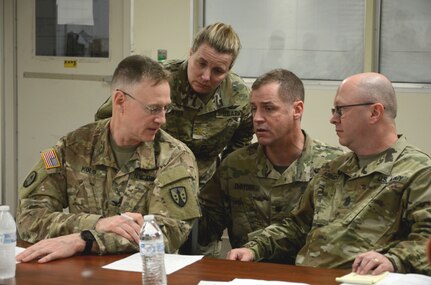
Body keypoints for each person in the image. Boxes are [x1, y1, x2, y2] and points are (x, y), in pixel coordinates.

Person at [227, 72, 431, 275]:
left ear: (374, 113)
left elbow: (427, 239)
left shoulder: (419, 171)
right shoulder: (334, 169)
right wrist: (254, 248)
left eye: (340, 110)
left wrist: (393, 260)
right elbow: (296, 226)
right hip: (309, 278)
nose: (333, 119)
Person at [16, 55, 201, 263]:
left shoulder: (175, 157)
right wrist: (97, 224)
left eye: (166, 108)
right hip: (82, 272)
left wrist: (85, 240)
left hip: (144, 274)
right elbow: (28, 217)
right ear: (120, 101)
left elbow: (167, 233)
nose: (162, 119)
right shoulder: (74, 147)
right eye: (153, 108)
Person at [198, 69, 343, 261]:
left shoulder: (332, 165)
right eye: (253, 108)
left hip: (308, 277)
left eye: (269, 108)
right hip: (248, 276)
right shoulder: (235, 166)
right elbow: (202, 230)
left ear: (297, 110)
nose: (257, 118)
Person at [95, 22, 253, 189]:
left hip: (205, 185)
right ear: (190, 53)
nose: (206, 76)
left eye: (218, 71)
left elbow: (243, 138)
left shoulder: (238, 95)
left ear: (229, 70)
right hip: (149, 183)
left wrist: (225, 179)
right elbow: (106, 117)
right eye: (201, 63)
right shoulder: (157, 79)